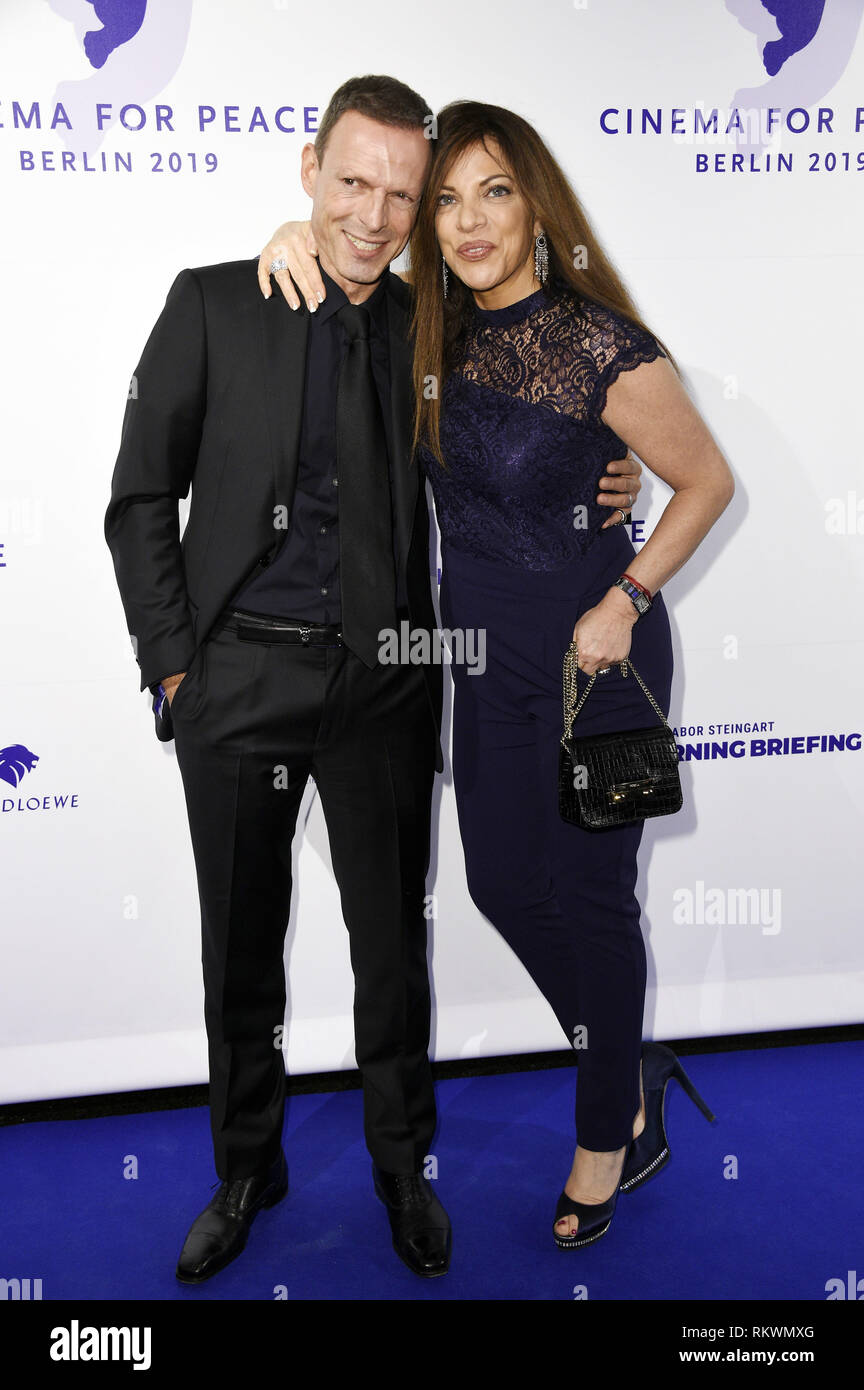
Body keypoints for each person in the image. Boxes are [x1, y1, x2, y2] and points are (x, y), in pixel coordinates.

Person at [259, 99, 733, 1249]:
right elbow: (340, 266)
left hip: (592, 655)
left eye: (496, 193)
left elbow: (709, 481)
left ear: (537, 209)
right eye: (450, 197)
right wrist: (288, 233)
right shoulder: (432, 329)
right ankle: (627, 1060)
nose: (469, 221)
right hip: (479, 655)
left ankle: (605, 1133)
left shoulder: (600, 343)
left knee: (590, 897)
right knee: (499, 884)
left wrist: (625, 600)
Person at [105, 75, 489, 1284]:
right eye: (352, 184)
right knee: (241, 952)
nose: (372, 217)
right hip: (237, 685)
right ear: (310, 167)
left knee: (392, 949)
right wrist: (176, 667)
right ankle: (244, 1167)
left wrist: (618, 484)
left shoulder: (435, 328)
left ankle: (399, 1166)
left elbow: (540, 431)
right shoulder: (220, 302)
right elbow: (136, 499)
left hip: (384, 687)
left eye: (400, 195)